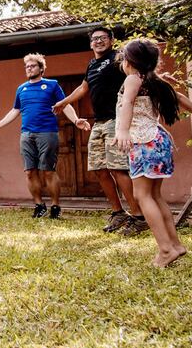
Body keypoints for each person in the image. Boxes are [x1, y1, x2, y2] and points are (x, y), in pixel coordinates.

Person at [52, 26, 148, 235]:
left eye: (102, 38)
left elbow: (139, 75)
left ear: (111, 40)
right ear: (90, 44)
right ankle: (118, 212)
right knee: (98, 168)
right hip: (99, 122)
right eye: (94, 39)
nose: (98, 42)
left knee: (118, 168)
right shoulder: (91, 64)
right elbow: (83, 88)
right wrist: (63, 102)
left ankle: (139, 216)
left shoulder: (118, 58)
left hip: (117, 119)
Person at [0, 53, 90, 220]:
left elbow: (65, 105)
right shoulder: (21, 89)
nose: (29, 69)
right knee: (29, 172)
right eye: (27, 66)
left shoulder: (52, 85)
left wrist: (76, 120)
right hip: (26, 134)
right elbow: (15, 110)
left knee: (48, 171)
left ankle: (55, 206)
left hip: (47, 132)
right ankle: (39, 206)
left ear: (41, 69)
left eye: (32, 66)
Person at [113, 39, 189, 267]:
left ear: (129, 61)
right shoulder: (153, 80)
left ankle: (165, 250)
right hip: (158, 141)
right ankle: (175, 245)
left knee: (142, 196)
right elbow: (180, 98)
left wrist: (123, 130)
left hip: (144, 143)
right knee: (154, 196)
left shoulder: (132, 79)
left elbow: (127, 103)